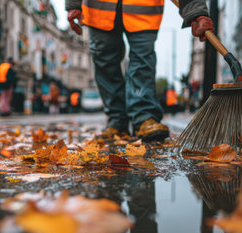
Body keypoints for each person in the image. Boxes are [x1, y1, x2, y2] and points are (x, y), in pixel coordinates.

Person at [66, 0, 214, 141]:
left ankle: (144, 116)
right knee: (105, 62)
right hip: (99, 9)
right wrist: (73, 4)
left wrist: (196, 11)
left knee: (143, 61)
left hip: (143, 9)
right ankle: (116, 119)